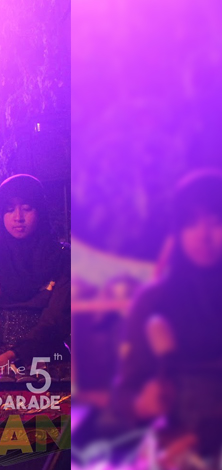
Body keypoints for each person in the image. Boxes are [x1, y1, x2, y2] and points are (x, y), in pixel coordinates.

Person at [112, 169, 222, 466]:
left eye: (215, 222)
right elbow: (124, 394)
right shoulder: (153, 302)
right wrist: (141, 403)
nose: (204, 235)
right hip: (176, 450)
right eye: (191, 223)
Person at [0, 174, 70, 371]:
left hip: (49, 360)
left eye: (27, 208)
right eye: (9, 210)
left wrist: (16, 355)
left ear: (41, 211)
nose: (18, 217)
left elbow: (56, 321)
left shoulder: (63, 258)